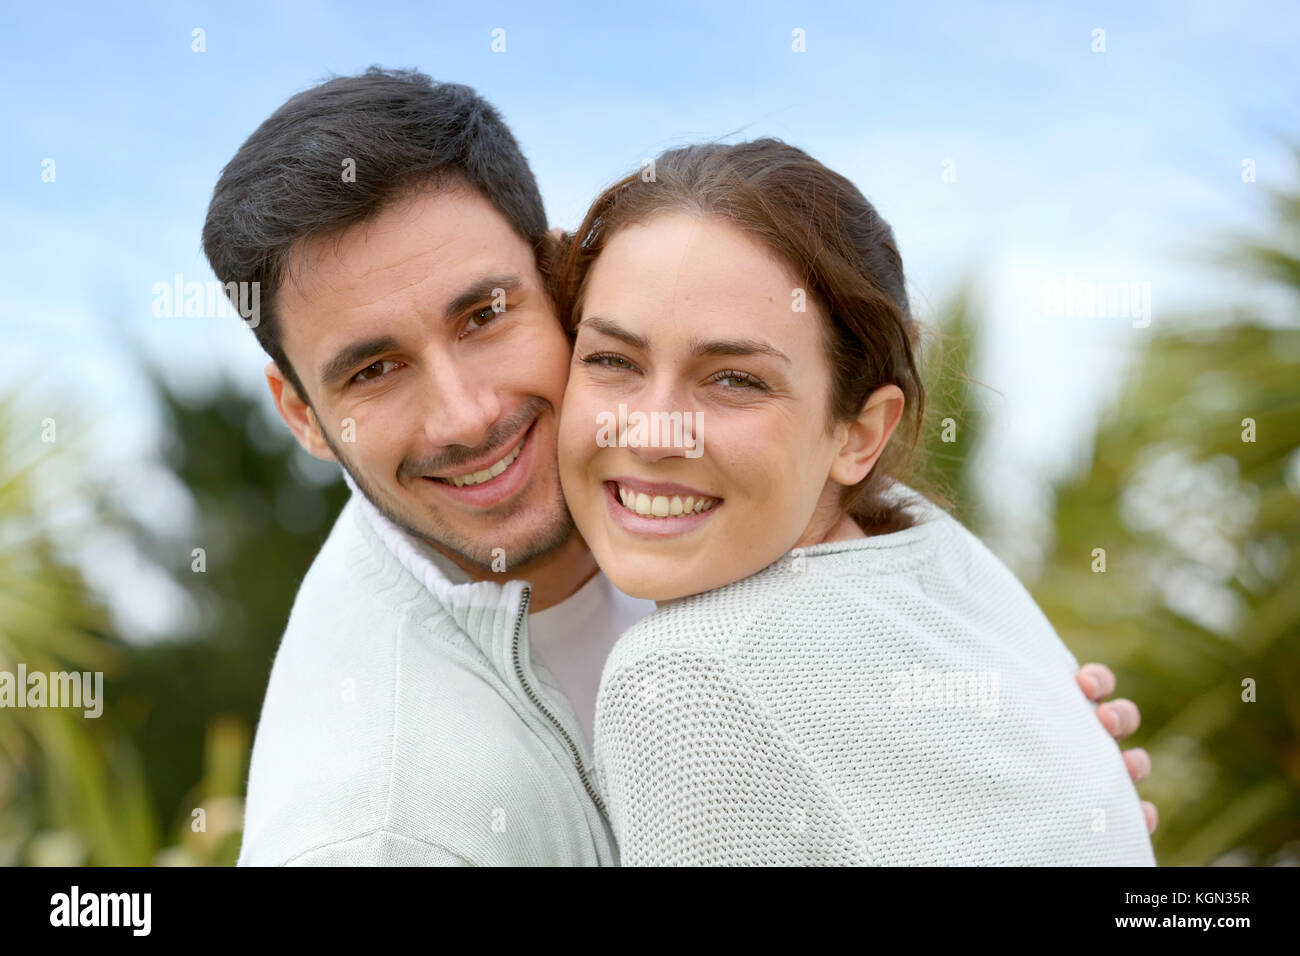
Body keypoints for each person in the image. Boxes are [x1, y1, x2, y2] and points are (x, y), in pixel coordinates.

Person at [202, 68, 1154, 865]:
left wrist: (1046, 799)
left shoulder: (796, 505)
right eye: (374, 371)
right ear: (306, 417)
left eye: (484, 315)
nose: (468, 416)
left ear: (557, 275)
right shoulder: (376, 830)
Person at [554, 139, 1156, 865]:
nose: (651, 433)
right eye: (612, 360)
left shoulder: (682, 678)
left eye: (735, 380)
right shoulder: (926, 544)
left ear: (861, 434)